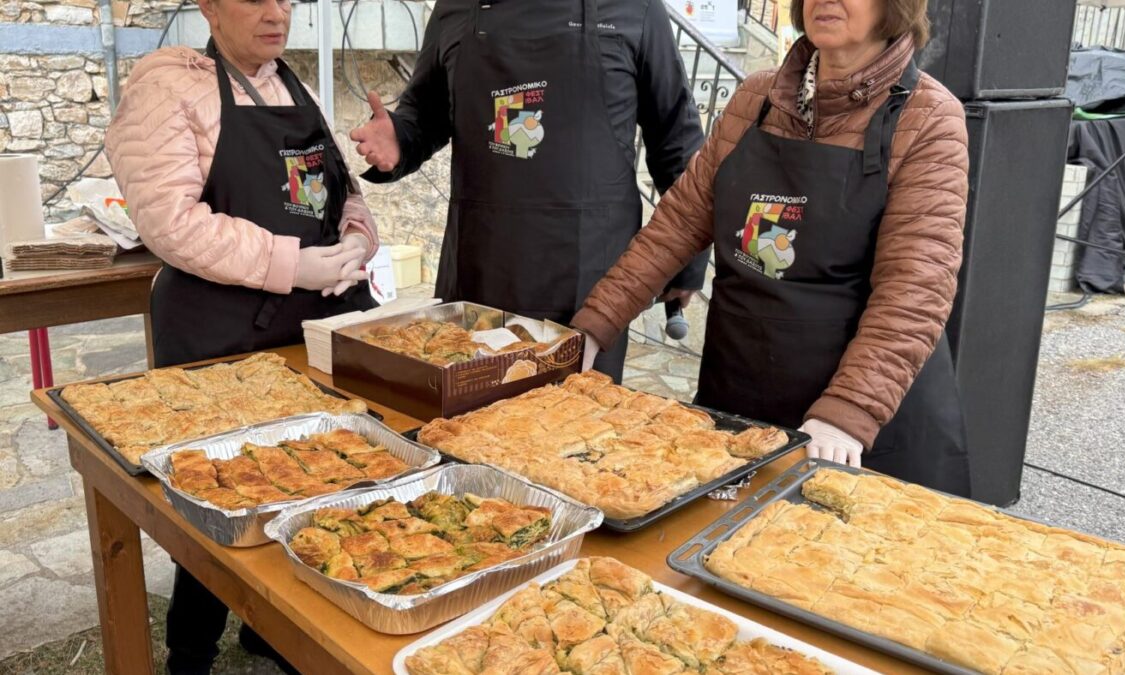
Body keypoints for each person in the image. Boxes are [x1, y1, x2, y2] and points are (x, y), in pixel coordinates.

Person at [572, 0, 972, 495]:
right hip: (738, 394)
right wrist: (592, 328)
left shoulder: (929, 118)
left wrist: (849, 412)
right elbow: (675, 226)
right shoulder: (756, 98)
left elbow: (915, 290)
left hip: (856, 424)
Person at [104, 0, 379, 669]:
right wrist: (293, 263)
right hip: (217, 340)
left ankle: (273, 635)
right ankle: (191, 650)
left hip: (310, 333)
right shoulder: (170, 84)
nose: (275, 12)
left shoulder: (295, 84)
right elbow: (169, 220)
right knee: (219, 500)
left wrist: (354, 237)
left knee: (315, 487)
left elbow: (341, 191)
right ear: (208, 6)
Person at [350, 0, 708, 382]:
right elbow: (424, 115)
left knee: (583, 423)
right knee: (472, 427)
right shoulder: (456, 7)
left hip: (594, 284)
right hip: (482, 273)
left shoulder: (636, 9)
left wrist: (686, 265)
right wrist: (400, 139)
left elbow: (676, 140)